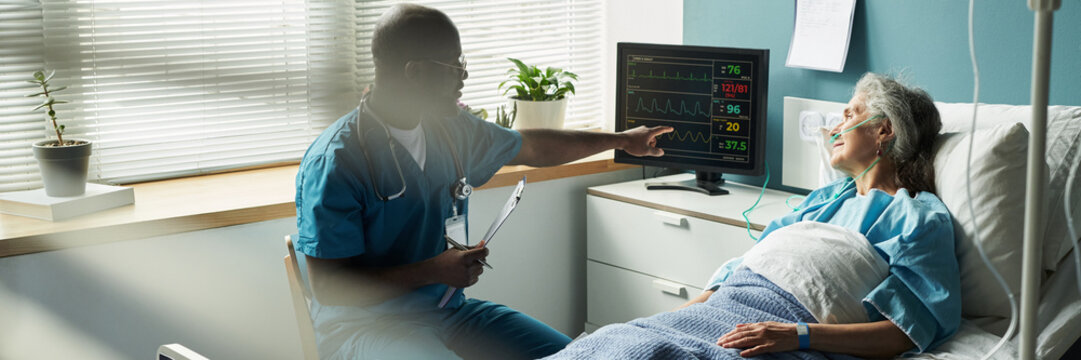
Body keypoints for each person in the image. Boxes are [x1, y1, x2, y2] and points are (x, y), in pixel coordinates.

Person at [294, 3, 672, 359]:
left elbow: (534, 148)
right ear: (414, 71)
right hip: (365, 329)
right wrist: (433, 270)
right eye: (454, 66)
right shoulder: (337, 160)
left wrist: (621, 140)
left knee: (580, 354)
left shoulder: (449, 129)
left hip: (448, 312)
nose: (464, 77)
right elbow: (330, 287)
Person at [546, 73, 960, 359]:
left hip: (783, 329)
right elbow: (744, 267)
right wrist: (678, 315)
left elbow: (909, 329)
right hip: (723, 308)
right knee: (616, 340)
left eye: (850, 115)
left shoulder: (918, 217)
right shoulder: (822, 200)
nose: (836, 127)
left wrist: (797, 337)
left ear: (884, 130)